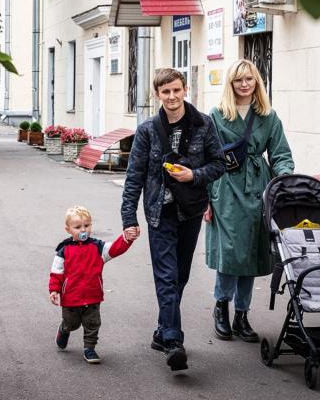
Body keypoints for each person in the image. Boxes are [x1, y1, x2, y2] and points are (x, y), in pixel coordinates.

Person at [120, 68, 225, 371]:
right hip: (159, 212)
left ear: (185, 89)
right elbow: (134, 176)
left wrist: (195, 175)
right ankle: (173, 340)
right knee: (166, 276)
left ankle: (160, 329)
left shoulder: (203, 124)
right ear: (157, 95)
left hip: (190, 210)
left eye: (176, 90)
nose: (172, 96)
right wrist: (129, 217)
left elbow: (219, 164)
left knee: (179, 275)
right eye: (165, 92)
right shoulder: (148, 130)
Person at [205, 59, 294, 343]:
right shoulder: (217, 115)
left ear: (257, 83)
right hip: (227, 188)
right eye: (239, 80)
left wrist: (283, 180)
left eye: (250, 80)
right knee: (231, 253)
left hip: (258, 189)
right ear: (230, 84)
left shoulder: (268, 116)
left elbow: (280, 154)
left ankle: (242, 314)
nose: (245, 85)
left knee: (253, 253)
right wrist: (206, 198)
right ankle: (222, 306)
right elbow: (206, 158)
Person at [49, 206, 138, 364]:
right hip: (71, 297)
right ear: (68, 229)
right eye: (77, 227)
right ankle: (64, 329)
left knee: (93, 324)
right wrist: (54, 290)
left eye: (87, 225)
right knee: (72, 323)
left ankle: (89, 348)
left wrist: (127, 238)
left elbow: (115, 249)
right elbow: (56, 272)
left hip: (93, 295)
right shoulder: (64, 249)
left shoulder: (97, 247)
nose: (83, 229)